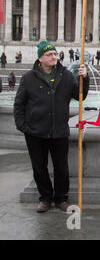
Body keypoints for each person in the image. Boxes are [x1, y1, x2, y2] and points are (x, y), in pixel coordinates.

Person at [14, 41, 89, 213]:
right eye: (49, 55)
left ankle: (61, 198)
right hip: (35, 131)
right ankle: (45, 198)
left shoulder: (66, 75)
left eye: (55, 54)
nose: (54, 57)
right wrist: (22, 126)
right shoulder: (28, 78)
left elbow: (80, 96)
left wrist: (84, 78)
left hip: (58, 130)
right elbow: (19, 104)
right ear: (40, 58)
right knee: (39, 167)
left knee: (61, 167)